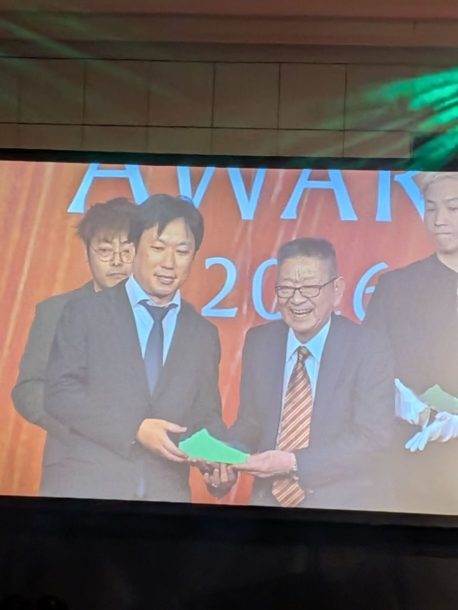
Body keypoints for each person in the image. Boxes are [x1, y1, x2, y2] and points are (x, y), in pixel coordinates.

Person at [42, 194, 224, 502]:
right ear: (134, 247)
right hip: (89, 495)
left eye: (182, 251)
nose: (169, 263)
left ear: (194, 256)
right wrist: (134, 429)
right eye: (158, 248)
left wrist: (219, 462)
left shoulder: (203, 334)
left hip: (166, 500)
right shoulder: (86, 312)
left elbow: (206, 417)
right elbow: (60, 393)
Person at [226, 237, 394, 511]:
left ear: (337, 290)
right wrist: (226, 458)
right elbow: (250, 422)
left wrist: (294, 463)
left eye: (309, 288)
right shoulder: (260, 342)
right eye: (286, 288)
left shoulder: (368, 348)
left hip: (342, 509)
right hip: (267, 505)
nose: (296, 299)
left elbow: (373, 438)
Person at [12, 198, 135, 488]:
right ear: (86, 253)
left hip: (142, 473)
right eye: (105, 250)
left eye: (127, 251)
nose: (117, 261)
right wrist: (81, 430)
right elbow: (29, 388)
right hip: (71, 465)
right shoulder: (56, 311)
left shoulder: (164, 316)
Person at [364, 172, 458, 514]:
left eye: (453, 208)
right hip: (411, 470)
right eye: (431, 208)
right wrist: (414, 407)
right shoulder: (396, 288)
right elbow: (368, 372)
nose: (440, 219)